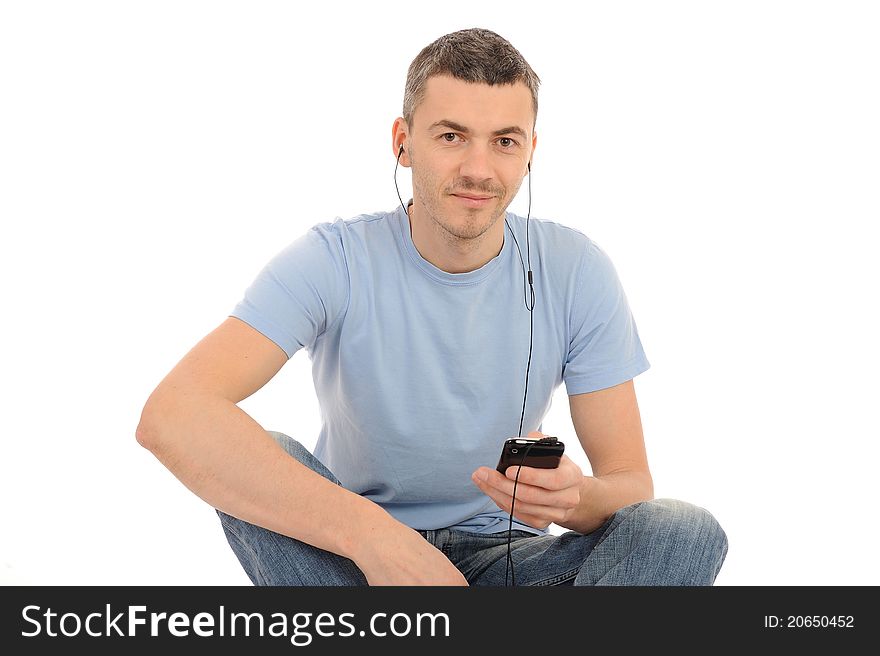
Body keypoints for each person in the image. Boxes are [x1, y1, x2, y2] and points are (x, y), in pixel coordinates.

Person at [136, 27, 728, 586]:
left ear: (530, 152)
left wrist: (575, 500)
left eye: (504, 142)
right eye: (451, 136)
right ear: (403, 143)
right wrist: (373, 539)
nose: (478, 169)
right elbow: (173, 416)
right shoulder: (332, 258)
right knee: (259, 455)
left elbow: (631, 485)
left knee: (683, 530)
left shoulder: (576, 268)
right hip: (357, 562)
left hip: (512, 561)